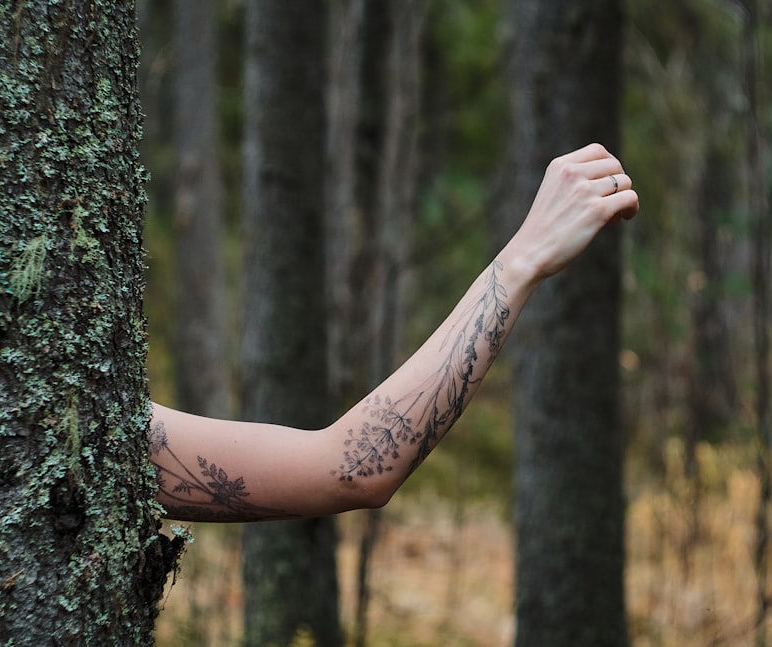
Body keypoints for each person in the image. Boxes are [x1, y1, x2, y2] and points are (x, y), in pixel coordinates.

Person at [149, 143, 638, 523]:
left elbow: (353, 466)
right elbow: (356, 467)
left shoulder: (99, 420)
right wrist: (523, 261)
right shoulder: (95, 421)